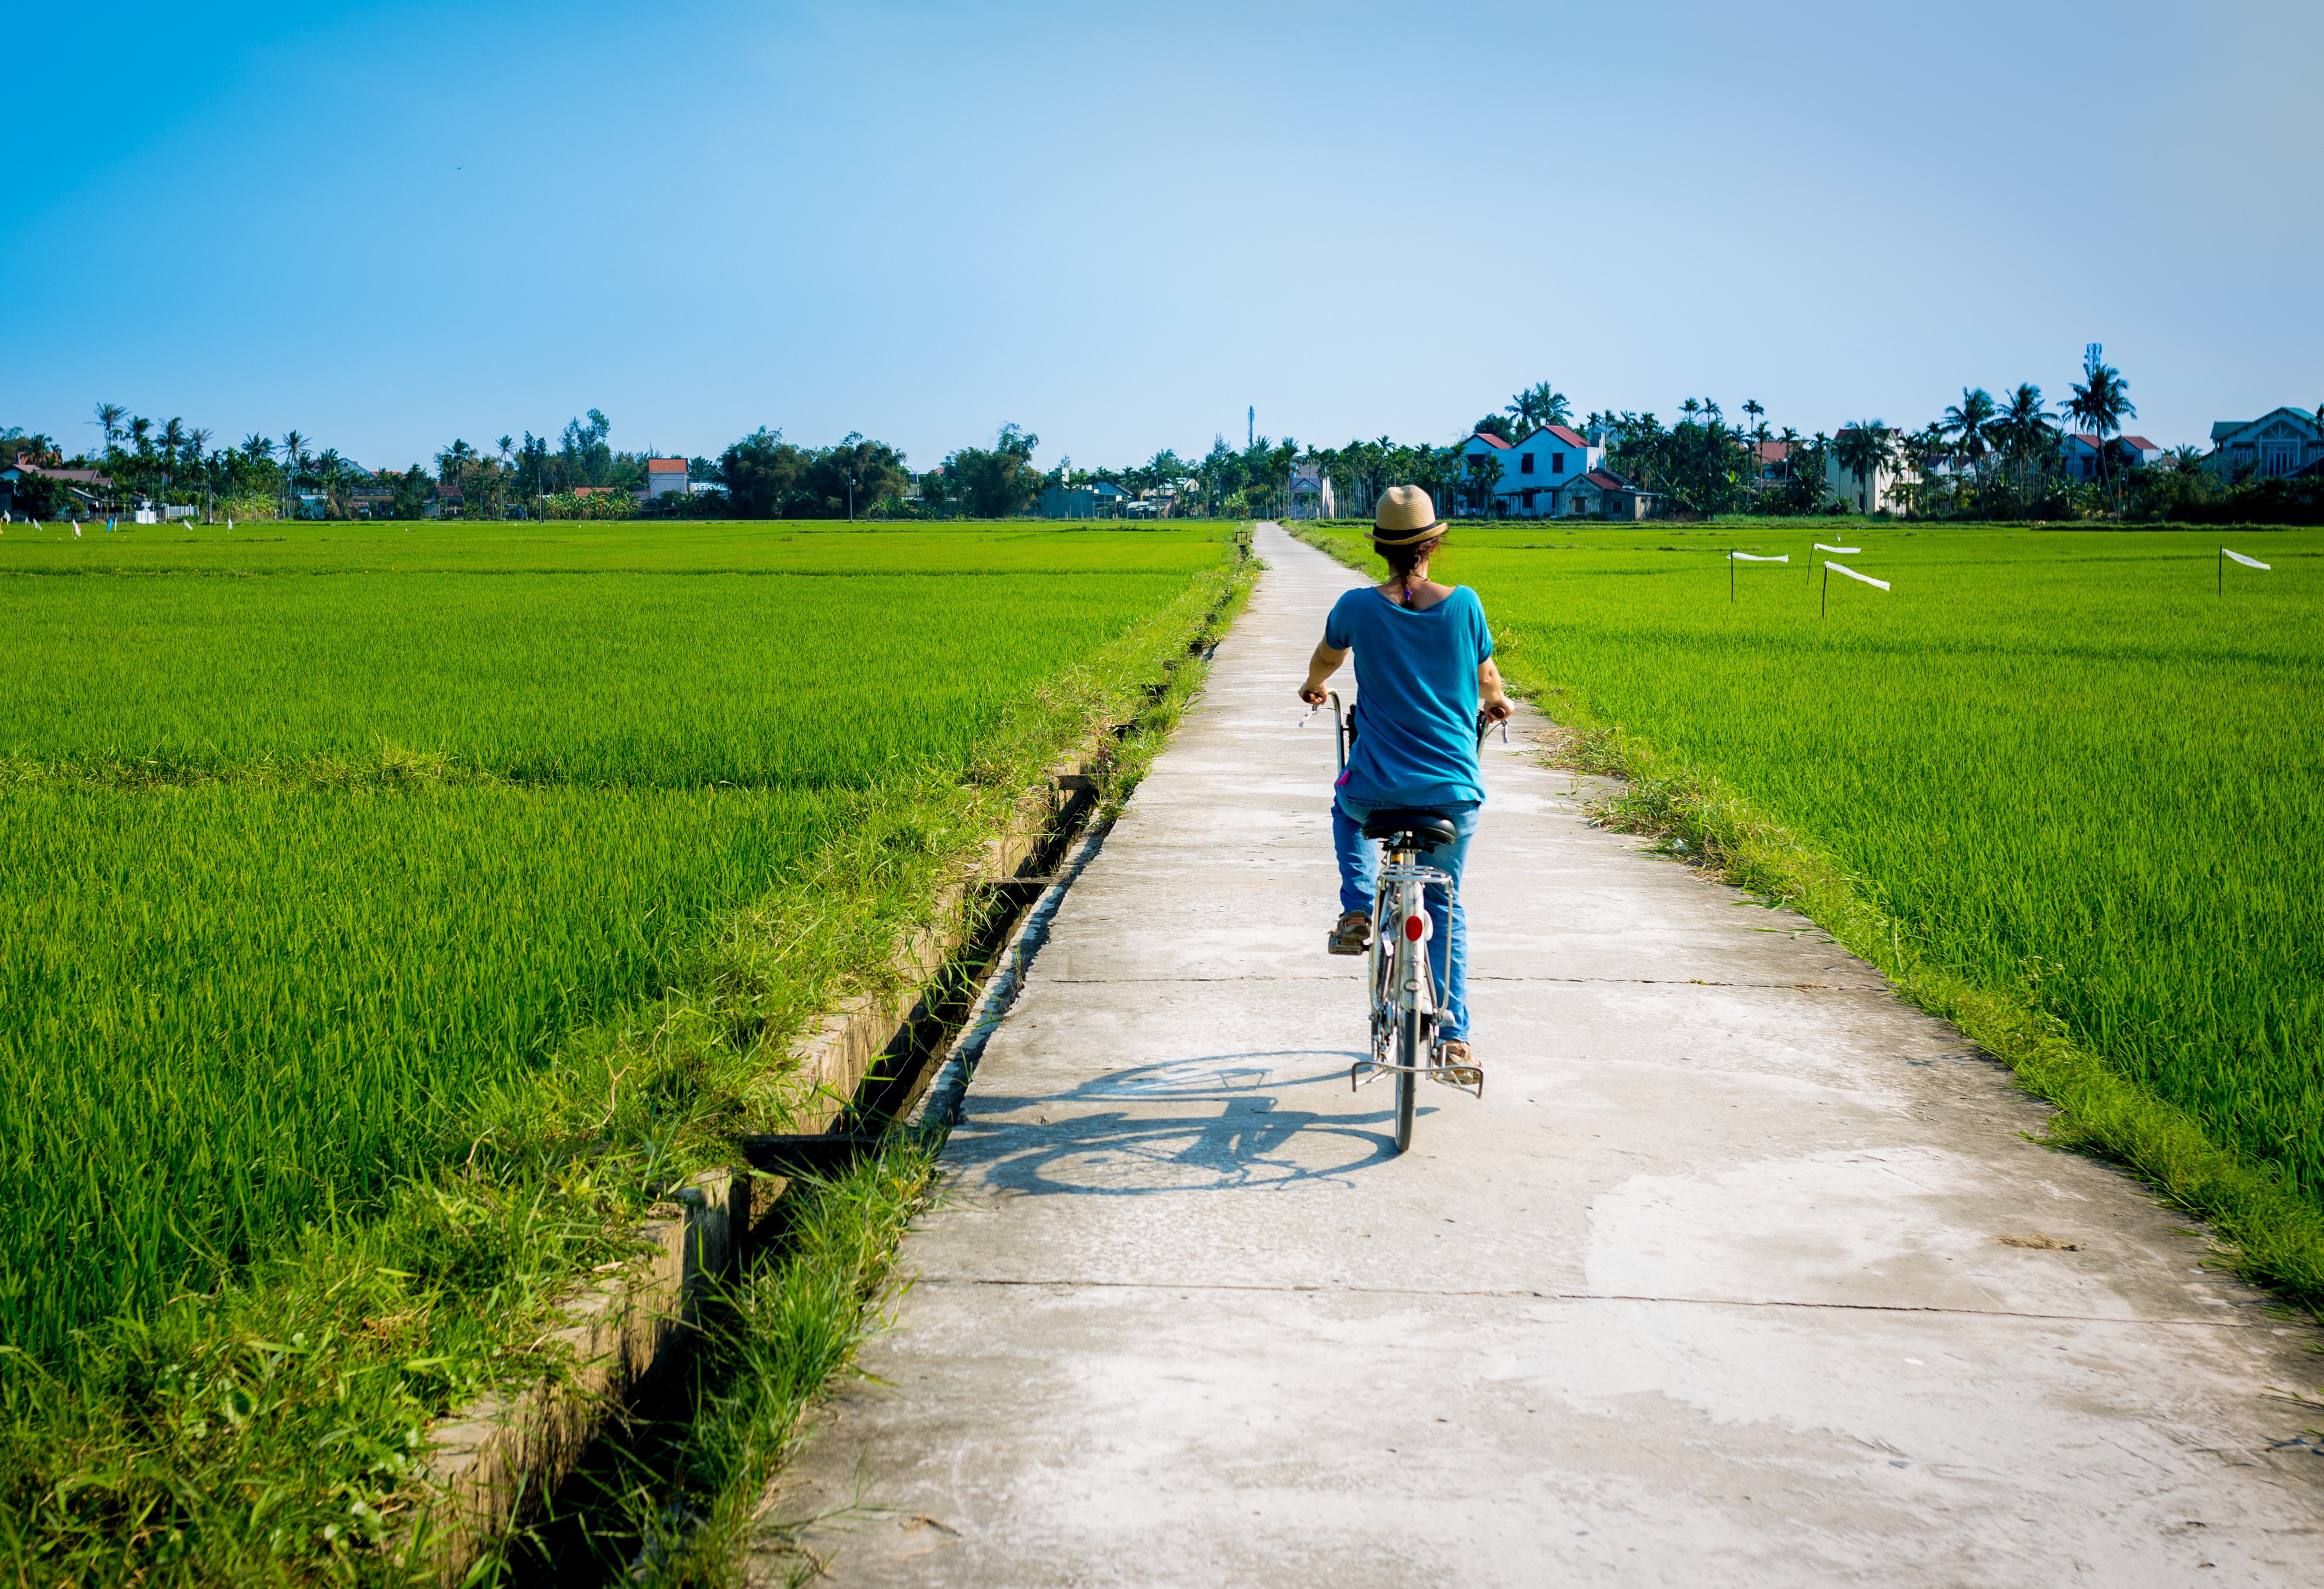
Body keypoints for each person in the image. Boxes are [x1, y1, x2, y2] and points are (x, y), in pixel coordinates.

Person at [1297, 485, 1511, 1075]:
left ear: (1379, 548)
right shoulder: (1465, 605)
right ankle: (1455, 1039)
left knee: (1345, 808)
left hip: (1377, 792)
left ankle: (1356, 911)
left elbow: (1325, 659)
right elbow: (1487, 675)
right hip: (1451, 794)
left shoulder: (1358, 607)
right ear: (1434, 545)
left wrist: (1314, 688)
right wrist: (1496, 702)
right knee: (1445, 904)